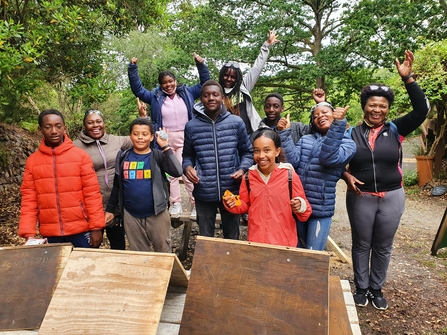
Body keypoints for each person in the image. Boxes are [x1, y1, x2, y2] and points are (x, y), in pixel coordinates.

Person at [343, 50, 430, 310]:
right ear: (364, 106)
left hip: (392, 195)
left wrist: (409, 79)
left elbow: (422, 110)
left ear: (387, 109)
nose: (377, 109)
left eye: (382, 106)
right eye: (372, 105)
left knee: (383, 245)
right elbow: (333, 159)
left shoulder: (396, 130)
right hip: (361, 197)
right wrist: (344, 174)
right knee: (361, 244)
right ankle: (361, 287)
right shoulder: (351, 133)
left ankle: (376, 288)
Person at [128, 53, 210, 219]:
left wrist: (201, 64)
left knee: (187, 171)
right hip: (166, 137)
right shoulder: (155, 97)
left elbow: (205, 83)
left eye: (170, 82)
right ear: (160, 85)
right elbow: (138, 90)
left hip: (186, 137)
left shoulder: (187, 92)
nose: (168, 85)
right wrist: (132, 68)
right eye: (164, 83)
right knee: (172, 173)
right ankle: (176, 203)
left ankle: (195, 203)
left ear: (175, 81)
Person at [278, 95, 356, 251]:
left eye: (325, 112)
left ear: (334, 115)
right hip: (298, 204)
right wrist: (284, 134)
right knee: (295, 248)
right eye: (316, 116)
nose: (320, 116)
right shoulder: (305, 139)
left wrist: (338, 126)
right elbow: (291, 163)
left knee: (313, 254)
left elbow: (328, 158)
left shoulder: (348, 143)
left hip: (320, 209)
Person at [19, 109, 105, 247]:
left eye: (58, 126)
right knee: (54, 268)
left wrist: (96, 227)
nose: (54, 131)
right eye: (48, 127)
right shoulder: (33, 161)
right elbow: (29, 200)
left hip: (81, 230)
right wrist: (28, 233)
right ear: (40, 130)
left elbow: (92, 195)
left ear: (65, 128)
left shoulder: (81, 157)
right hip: (50, 233)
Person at [182, 80, 253, 240]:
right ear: (201, 99)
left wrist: (242, 169)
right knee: (206, 238)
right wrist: (187, 168)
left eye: (215, 94)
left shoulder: (236, 122)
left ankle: (231, 264)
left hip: (231, 189)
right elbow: (187, 156)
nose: (211, 98)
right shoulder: (191, 126)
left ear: (222, 97)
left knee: (232, 237)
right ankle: (208, 265)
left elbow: (247, 152)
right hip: (204, 191)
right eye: (206, 95)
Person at [223, 129, 312, 247]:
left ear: (277, 151)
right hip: (256, 241)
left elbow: (305, 211)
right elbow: (245, 204)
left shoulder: (290, 176)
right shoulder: (248, 177)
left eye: (267, 150)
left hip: (284, 243)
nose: (261, 156)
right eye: (256, 151)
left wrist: (300, 206)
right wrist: (232, 204)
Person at [105, 118, 182, 252]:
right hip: (131, 215)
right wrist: (110, 210)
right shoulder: (123, 157)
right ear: (130, 136)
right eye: (136, 134)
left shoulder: (157, 155)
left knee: (163, 250)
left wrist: (165, 147)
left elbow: (177, 171)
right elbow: (117, 186)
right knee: (139, 253)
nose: (140, 137)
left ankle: (165, 274)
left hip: (157, 213)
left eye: (145, 134)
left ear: (152, 137)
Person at [73, 107, 145, 250]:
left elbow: (140, 138)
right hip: (90, 207)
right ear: (84, 126)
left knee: (118, 246)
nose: (95, 125)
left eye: (98, 121)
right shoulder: (75, 146)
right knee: (90, 248)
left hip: (115, 205)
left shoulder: (115, 141)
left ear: (104, 123)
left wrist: (143, 118)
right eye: (90, 123)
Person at [219, 30, 279, 135]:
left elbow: (257, 68)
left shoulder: (243, 86)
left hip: (248, 134)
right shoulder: (216, 92)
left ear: (237, 78)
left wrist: (267, 45)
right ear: (221, 75)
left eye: (233, 77)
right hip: (228, 137)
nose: (229, 79)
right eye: (226, 75)